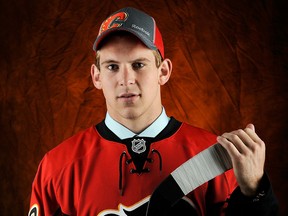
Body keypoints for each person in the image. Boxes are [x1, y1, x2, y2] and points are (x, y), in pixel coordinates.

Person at [28, 7, 278, 216]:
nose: (126, 79)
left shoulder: (218, 158)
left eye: (139, 64)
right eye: (112, 66)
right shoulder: (57, 166)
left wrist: (254, 192)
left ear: (164, 71)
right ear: (96, 76)